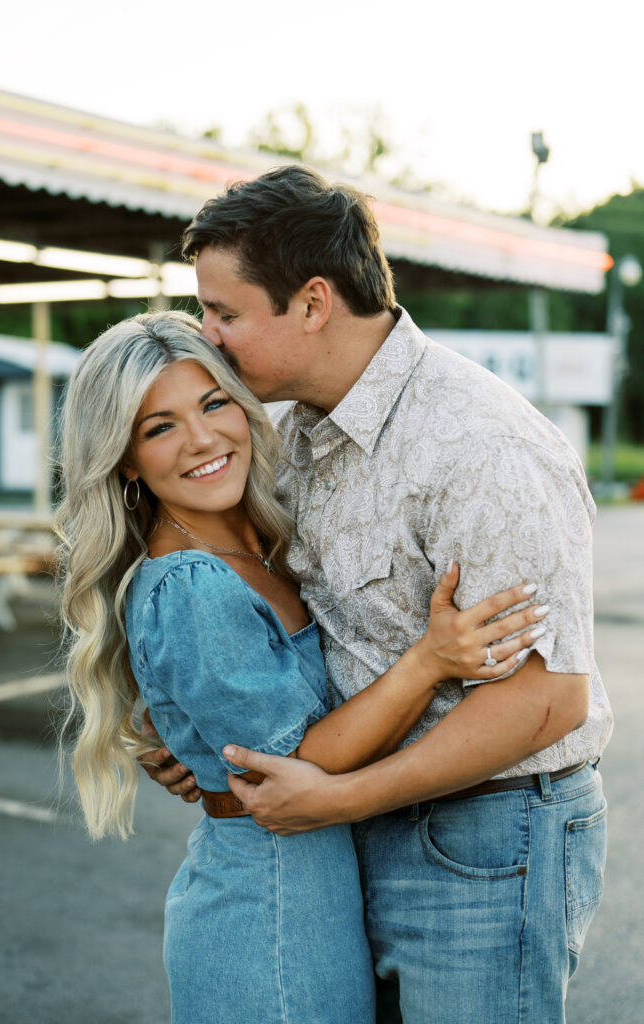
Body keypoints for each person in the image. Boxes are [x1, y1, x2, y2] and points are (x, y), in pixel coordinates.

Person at [144, 165, 613, 1024]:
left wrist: (338, 797)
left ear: (312, 303)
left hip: (483, 840)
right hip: (348, 830)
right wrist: (206, 740)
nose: (207, 337)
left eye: (226, 314)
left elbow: (545, 698)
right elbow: (255, 618)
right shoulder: (287, 434)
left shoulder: (478, 445)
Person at [56, 310, 541, 1024]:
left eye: (214, 402)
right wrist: (430, 662)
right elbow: (293, 767)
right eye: (159, 427)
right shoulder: (192, 586)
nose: (202, 439)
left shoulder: (262, 543)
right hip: (267, 915)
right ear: (125, 459)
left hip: (318, 895)